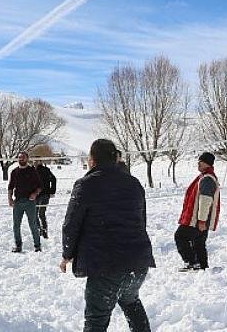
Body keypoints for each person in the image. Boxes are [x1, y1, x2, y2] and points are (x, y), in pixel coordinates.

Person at [61, 139, 155, 332]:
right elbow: (141, 221)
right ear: (115, 159)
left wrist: (67, 254)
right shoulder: (134, 183)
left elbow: (71, 224)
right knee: (130, 301)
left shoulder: (86, 184)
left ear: (92, 160)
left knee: (96, 319)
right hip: (137, 262)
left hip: (106, 264)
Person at [174, 152, 221, 272]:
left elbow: (205, 201)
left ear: (207, 163)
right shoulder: (207, 177)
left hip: (197, 219)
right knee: (198, 242)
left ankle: (192, 262)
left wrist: (201, 220)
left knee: (180, 236)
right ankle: (202, 266)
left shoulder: (207, 179)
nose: (198, 164)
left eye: (201, 162)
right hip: (201, 219)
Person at [8, 151, 42, 252]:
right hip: (18, 202)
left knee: (33, 224)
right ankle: (18, 246)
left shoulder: (32, 171)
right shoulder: (14, 172)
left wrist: (35, 194)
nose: (21, 159)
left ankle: (37, 246)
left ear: (27, 159)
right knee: (16, 225)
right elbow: (10, 187)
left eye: (23, 157)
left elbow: (40, 186)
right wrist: (10, 198)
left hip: (30, 202)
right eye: (19, 157)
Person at [34, 160, 56, 239]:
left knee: (40, 213)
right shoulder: (32, 170)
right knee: (36, 214)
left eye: (37, 160)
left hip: (43, 195)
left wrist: (52, 191)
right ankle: (40, 231)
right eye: (34, 160)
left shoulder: (45, 170)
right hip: (37, 195)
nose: (35, 162)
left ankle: (43, 231)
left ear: (40, 161)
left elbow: (53, 179)